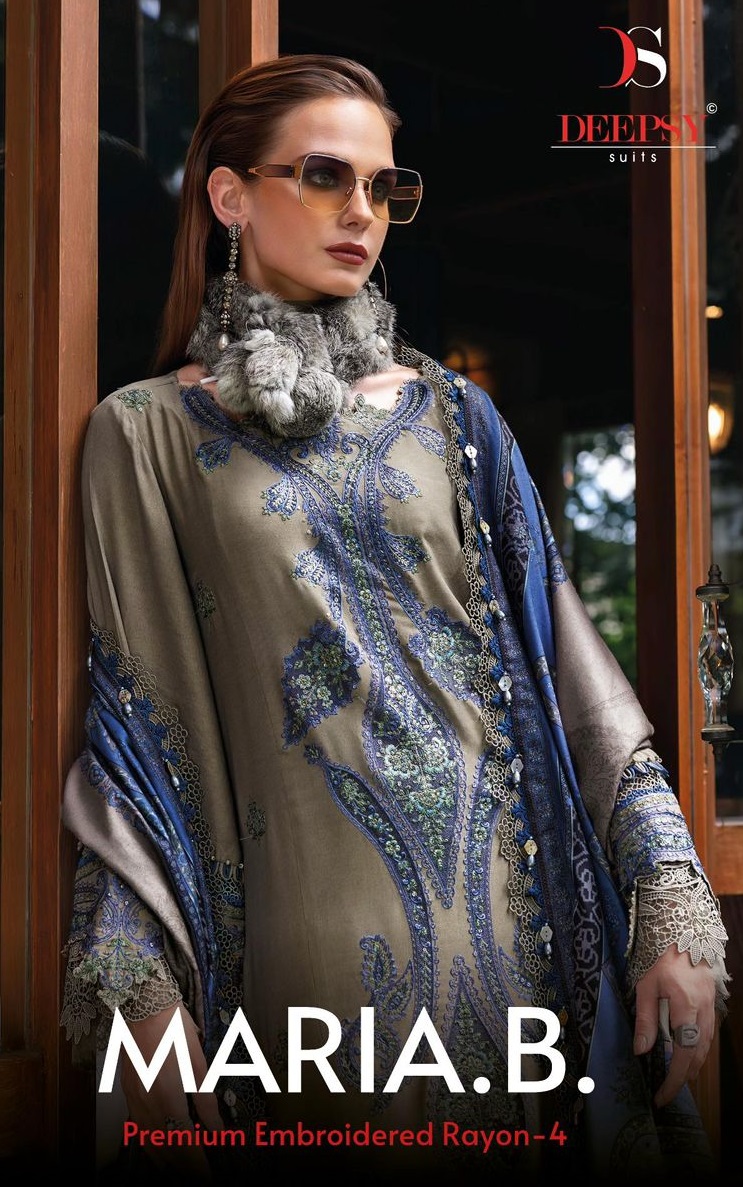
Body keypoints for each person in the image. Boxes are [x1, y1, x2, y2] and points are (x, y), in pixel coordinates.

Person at [60, 52, 730, 1185]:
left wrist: (669, 902)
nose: (361, 211)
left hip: (524, 963)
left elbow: (578, 684)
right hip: (306, 989)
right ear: (229, 196)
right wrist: (142, 999)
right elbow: (138, 735)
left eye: (382, 186)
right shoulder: (143, 433)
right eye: (325, 175)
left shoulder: (457, 416)